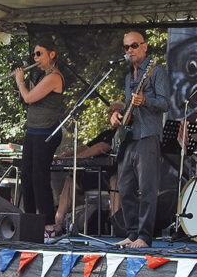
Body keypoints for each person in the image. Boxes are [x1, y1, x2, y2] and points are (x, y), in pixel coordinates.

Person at [110, 31, 170, 248]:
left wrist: (145, 101)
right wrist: (116, 115)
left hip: (148, 135)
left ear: (145, 47)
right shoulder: (129, 77)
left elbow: (164, 104)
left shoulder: (156, 70)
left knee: (147, 188)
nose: (129, 51)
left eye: (134, 46)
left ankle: (144, 237)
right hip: (130, 136)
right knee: (125, 186)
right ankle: (132, 233)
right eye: (126, 47)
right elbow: (127, 106)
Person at [14, 39, 65, 242]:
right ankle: (31, 221)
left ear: (51, 54)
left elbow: (28, 98)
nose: (35, 58)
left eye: (39, 54)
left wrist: (20, 80)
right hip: (33, 131)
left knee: (39, 177)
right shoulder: (41, 75)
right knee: (26, 175)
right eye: (34, 55)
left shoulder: (54, 77)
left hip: (48, 131)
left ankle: (49, 225)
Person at [52, 101, 123, 233]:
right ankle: (58, 223)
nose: (110, 114)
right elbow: (87, 147)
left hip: (113, 174)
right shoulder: (107, 132)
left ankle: (115, 224)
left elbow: (102, 147)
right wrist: (67, 155)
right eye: (109, 111)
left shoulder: (123, 132)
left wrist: (78, 159)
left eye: (114, 111)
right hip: (96, 174)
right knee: (71, 180)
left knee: (116, 180)